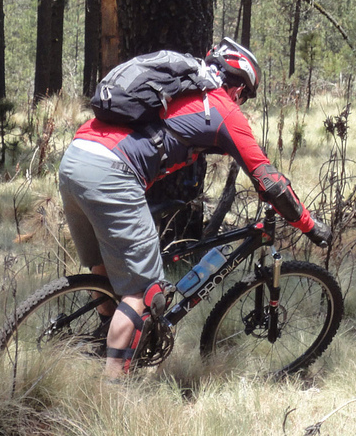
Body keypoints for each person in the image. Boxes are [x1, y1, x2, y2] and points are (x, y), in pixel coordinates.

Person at [58, 37, 332, 378]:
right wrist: (310, 226)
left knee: (101, 268)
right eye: (245, 96)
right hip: (112, 172)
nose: (242, 102)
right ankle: (112, 390)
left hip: (74, 159)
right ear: (238, 88)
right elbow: (269, 181)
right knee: (144, 292)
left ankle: (106, 334)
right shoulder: (221, 107)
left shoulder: (178, 89)